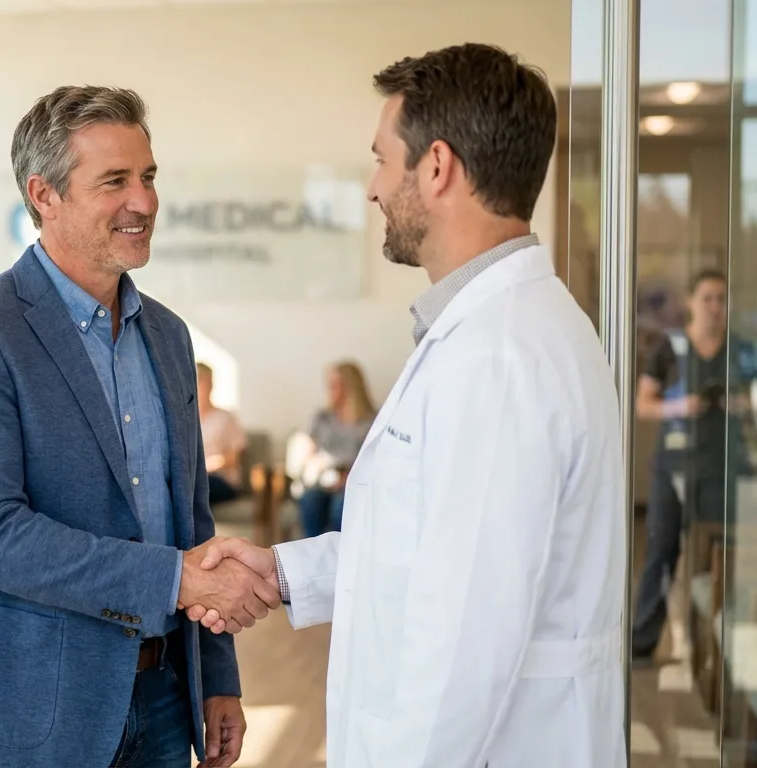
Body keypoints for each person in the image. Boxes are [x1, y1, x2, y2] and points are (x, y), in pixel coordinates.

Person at [182, 43, 628, 767]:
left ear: (439, 166)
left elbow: (463, 639)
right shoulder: (489, 332)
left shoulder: (500, 355)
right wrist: (282, 572)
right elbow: (426, 547)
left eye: (383, 160)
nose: (373, 189)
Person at [0, 85, 277, 768]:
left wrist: (218, 679)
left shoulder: (167, 336)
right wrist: (173, 581)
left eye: (147, 177)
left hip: (167, 696)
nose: (142, 201)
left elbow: (192, 523)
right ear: (44, 195)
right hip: (30, 713)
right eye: (114, 180)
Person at [631, 268, 757, 665]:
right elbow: (643, 404)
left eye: (721, 299)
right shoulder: (669, 348)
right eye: (707, 298)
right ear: (690, 302)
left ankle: (711, 652)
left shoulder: (740, 350)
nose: (715, 307)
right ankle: (641, 647)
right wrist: (680, 407)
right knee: (661, 554)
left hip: (721, 468)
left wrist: (742, 405)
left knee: (716, 562)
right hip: (673, 469)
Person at [293, 361, 377, 537]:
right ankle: (311, 554)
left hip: (352, 480)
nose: (330, 390)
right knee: (310, 500)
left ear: (351, 388)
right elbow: (307, 452)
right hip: (322, 479)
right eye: (329, 385)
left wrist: (347, 477)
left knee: (342, 504)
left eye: (336, 386)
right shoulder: (321, 418)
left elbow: (372, 460)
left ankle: (338, 557)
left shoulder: (370, 423)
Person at [196, 362, 248, 504]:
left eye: (203, 381)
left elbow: (233, 458)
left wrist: (205, 466)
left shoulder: (226, 418)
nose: (199, 386)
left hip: (220, 480)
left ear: (211, 384)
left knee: (197, 488)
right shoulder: (184, 421)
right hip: (192, 477)